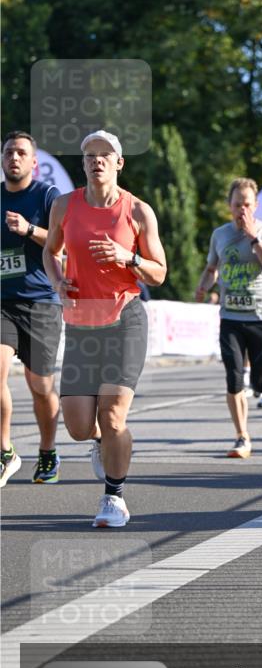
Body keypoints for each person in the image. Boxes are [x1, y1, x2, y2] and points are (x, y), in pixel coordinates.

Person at [43, 130, 167, 526]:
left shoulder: (138, 211)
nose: (97, 161)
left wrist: (127, 256)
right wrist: (58, 281)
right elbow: (51, 251)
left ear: (119, 163)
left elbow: (159, 273)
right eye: (90, 156)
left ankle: (114, 497)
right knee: (80, 425)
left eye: (105, 155)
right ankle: (101, 442)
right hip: (81, 323)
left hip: (125, 319)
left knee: (113, 414)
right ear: (83, 164)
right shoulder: (65, 206)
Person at [196, 178, 262, 459]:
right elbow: (212, 267)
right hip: (231, 316)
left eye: (247, 204)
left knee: (258, 383)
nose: (242, 210)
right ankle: (242, 436)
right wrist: (203, 285)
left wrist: (252, 237)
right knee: (234, 379)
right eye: (237, 205)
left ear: (255, 205)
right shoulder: (220, 234)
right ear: (229, 205)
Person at [1, 131, 62, 486]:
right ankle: (5, 452)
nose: (14, 157)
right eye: (9, 152)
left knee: (39, 385)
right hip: (2, 301)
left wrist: (30, 229)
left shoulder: (46, 195)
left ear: (33, 162)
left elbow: (62, 241)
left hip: (41, 301)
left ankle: (48, 450)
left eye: (21, 152)